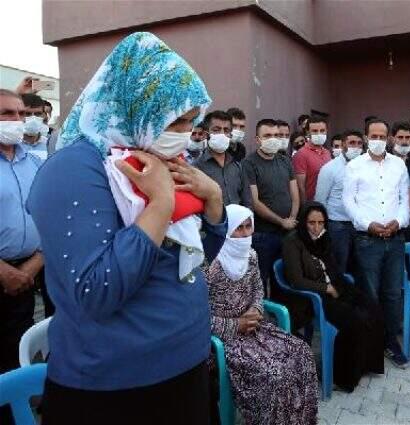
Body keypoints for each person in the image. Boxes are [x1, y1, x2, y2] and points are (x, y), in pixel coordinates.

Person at [27, 32, 228, 425]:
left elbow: (194, 260)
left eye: (191, 121)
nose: (185, 134)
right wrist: (161, 205)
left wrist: (214, 203)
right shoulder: (75, 169)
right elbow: (97, 291)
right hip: (118, 388)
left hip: (186, 364)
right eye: (176, 120)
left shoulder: (159, 160)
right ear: (140, 105)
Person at [205, 204, 318, 424]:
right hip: (223, 338)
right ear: (225, 230)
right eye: (239, 228)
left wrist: (256, 309)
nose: (246, 234)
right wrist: (236, 324)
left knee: (302, 353)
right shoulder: (209, 264)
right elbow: (198, 315)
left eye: (249, 227)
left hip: (255, 329)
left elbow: (258, 289)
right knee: (272, 373)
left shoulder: (251, 256)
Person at [282, 202, 384, 391]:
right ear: (304, 222)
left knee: (372, 308)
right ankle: (342, 377)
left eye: (321, 222)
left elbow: (332, 268)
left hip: (335, 286)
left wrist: (321, 245)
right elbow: (296, 280)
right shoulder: (292, 242)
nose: (316, 227)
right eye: (311, 223)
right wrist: (326, 288)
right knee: (354, 319)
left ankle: (366, 364)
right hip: (313, 297)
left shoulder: (323, 238)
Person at [343, 118, 410, 369]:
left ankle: (390, 341)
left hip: (395, 239)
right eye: (374, 136)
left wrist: (399, 221)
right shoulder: (355, 166)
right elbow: (348, 202)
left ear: (390, 138)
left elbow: (405, 200)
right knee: (370, 294)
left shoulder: (399, 166)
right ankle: (371, 344)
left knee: (393, 294)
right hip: (367, 240)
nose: (379, 141)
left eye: (383, 136)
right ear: (366, 137)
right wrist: (367, 223)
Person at [0, 89, 43, 425]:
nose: (16, 120)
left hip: (28, 272)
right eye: (6, 114)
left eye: (19, 113)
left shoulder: (35, 161)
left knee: (17, 349)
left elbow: (48, 216)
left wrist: (32, 266)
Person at [242, 119, 311, 330]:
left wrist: (292, 217)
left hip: (287, 234)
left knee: (286, 282)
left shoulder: (284, 161)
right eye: (267, 136)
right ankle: (262, 326)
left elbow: (295, 194)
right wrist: (282, 221)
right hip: (263, 235)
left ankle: (285, 325)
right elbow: (254, 201)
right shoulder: (249, 163)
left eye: (276, 135)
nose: (273, 140)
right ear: (257, 139)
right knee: (261, 283)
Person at [314, 130, 364, 275]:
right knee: (339, 266)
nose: (356, 147)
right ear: (343, 145)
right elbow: (320, 200)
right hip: (338, 226)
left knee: (359, 267)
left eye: (359, 143)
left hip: (360, 225)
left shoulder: (366, 167)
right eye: (352, 143)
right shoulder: (329, 169)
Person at [195, 111, 244, 206]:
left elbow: (247, 200)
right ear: (206, 134)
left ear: (230, 135)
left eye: (226, 130)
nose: (222, 134)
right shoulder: (196, 167)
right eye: (216, 130)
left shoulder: (238, 166)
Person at [292, 116, 332, 201]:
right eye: (315, 131)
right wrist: (306, 208)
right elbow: (300, 187)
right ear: (307, 132)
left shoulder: (327, 153)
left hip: (328, 204)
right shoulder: (301, 154)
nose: (319, 134)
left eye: (322, 131)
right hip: (312, 205)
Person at [20, 93, 49, 161]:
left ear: (44, 115)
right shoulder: (10, 145)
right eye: (27, 114)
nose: (33, 118)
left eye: (38, 114)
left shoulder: (50, 144)